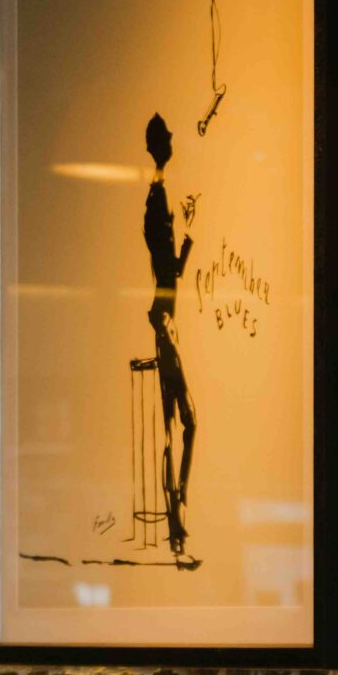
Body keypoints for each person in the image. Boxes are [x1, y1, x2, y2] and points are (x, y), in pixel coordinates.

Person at [142, 112, 197, 561]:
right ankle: (176, 518)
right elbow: (164, 263)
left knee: (184, 423)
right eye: (168, 136)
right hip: (165, 323)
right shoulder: (156, 196)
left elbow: (172, 268)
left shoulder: (158, 196)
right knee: (174, 427)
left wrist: (187, 239)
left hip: (167, 321)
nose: (174, 138)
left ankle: (178, 510)